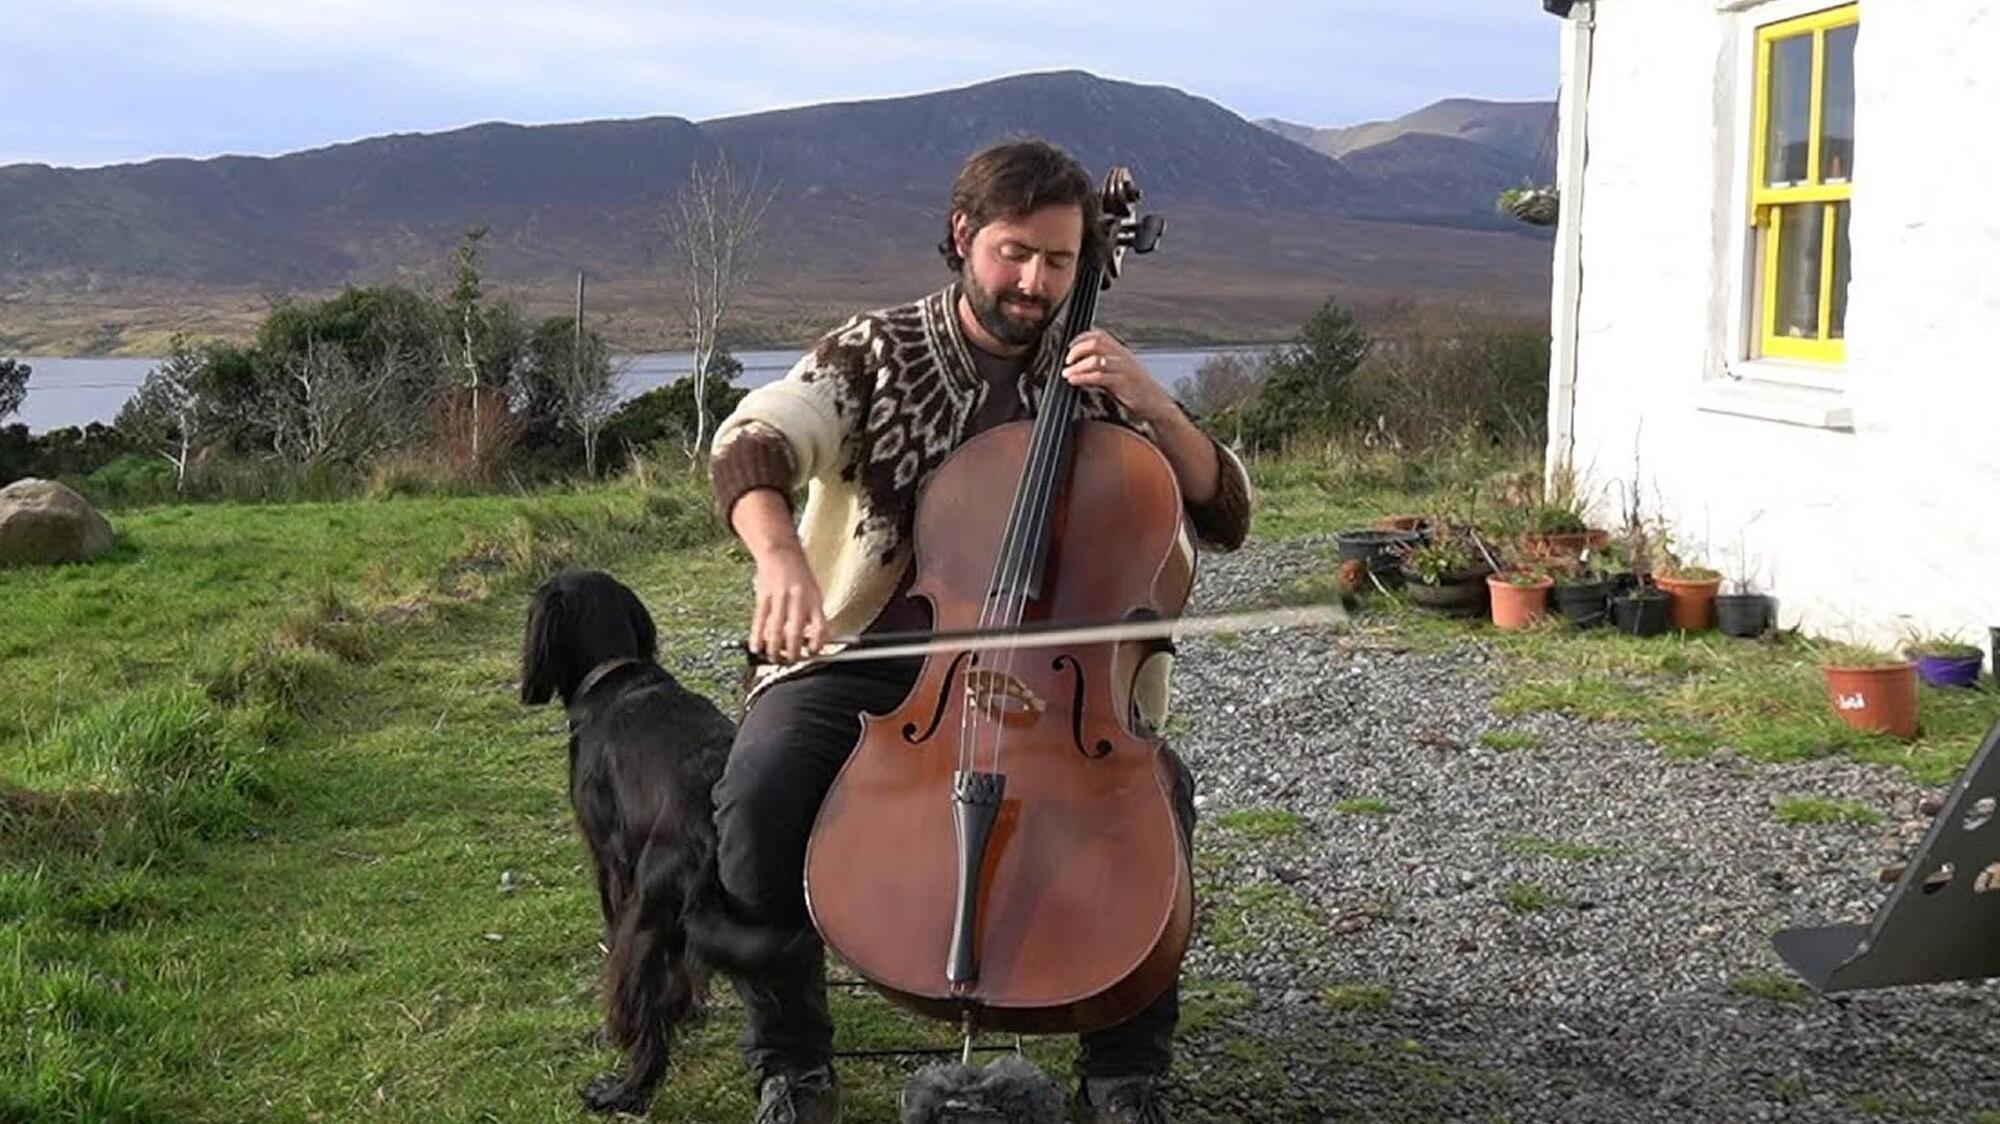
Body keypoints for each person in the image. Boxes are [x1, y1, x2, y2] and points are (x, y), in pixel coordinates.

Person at [706, 137, 1253, 1124]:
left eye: (1059, 261)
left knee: (1156, 794)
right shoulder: (875, 351)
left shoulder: (1099, 381)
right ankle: (790, 1056)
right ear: (963, 235)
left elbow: (1225, 512)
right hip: (875, 655)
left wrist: (1156, 406)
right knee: (759, 783)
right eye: (1015, 253)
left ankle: (1125, 1068)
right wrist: (779, 558)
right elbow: (755, 438)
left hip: (1055, 681)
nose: (1034, 282)